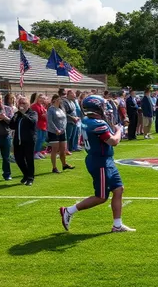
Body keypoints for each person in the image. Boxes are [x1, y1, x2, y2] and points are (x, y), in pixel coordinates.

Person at [60, 95, 135, 232]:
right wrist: (119, 130)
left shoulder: (88, 120)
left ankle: (117, 225)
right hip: (100, 161)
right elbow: (113, 141)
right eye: (102, 106)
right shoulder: (96, 123)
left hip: (105, 160)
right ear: (96, 106)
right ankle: (68, 211)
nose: (105, 108)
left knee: (118, 189)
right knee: (101, 197)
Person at [9, 96, 37, 185]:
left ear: (28, 104)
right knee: (18, 159)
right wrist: (14, 116)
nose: (21, 105)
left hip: (29, 140)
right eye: (20, 103)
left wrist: (23, 114)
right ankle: (25, 174)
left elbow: (32, 122)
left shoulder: (32, 113)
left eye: (24, 103)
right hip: (18, 140)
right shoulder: (17, 114)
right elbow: (11, 126)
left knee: (29, 159)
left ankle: (30, 178)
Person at [48, 94, 75, 174]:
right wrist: (56, 129)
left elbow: (65, 119)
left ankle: (64, 164)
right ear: (55, 100)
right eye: (59, 100)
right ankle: (54, 167)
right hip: (53, 132)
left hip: (62, 132)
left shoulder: (60, 109)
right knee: (55, 149)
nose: (61, 101)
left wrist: (63, 129)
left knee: (63, 150)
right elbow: (50, 121)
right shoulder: (51, 109)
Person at [31, 94, 48, 159]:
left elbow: (45, 115)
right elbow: (38, 116)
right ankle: (34, 152)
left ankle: (38, 151)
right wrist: (45, 114)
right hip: (38, 125)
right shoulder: (34, 106)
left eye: (43, 98)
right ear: (37, 98)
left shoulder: (42, 106)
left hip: (43, 125)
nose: (42, 99)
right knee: (38, 139)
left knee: (42, 140)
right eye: (40, 98)